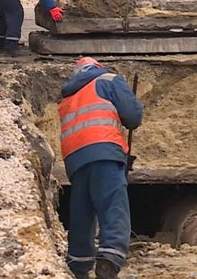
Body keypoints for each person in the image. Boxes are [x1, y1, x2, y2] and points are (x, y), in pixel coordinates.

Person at [60, 57, 143, 279]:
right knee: (112, 204)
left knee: (82, 211)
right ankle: (110, 257)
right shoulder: (107, 80)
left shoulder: (68, 97)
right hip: (104, 149)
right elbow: (133, 117)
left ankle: (79, 263)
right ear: (96, 68)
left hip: (75, 159)